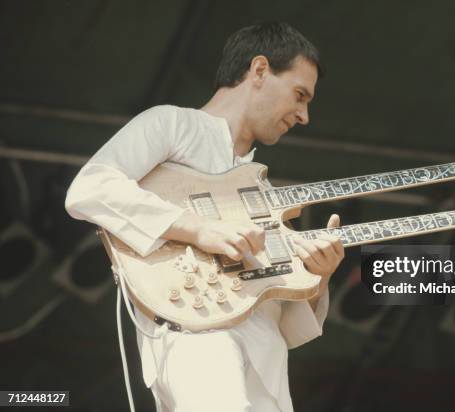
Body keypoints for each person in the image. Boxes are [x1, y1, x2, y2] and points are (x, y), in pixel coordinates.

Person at [65, 22, 344, 412]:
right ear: (259, 70)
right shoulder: (172, 124)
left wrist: (318, 276)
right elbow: (91, 188)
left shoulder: (260, 189)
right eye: (300, 96)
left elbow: (284, 323)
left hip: (267, 369)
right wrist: (199, 229)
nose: (304, 116)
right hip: (196, 337)